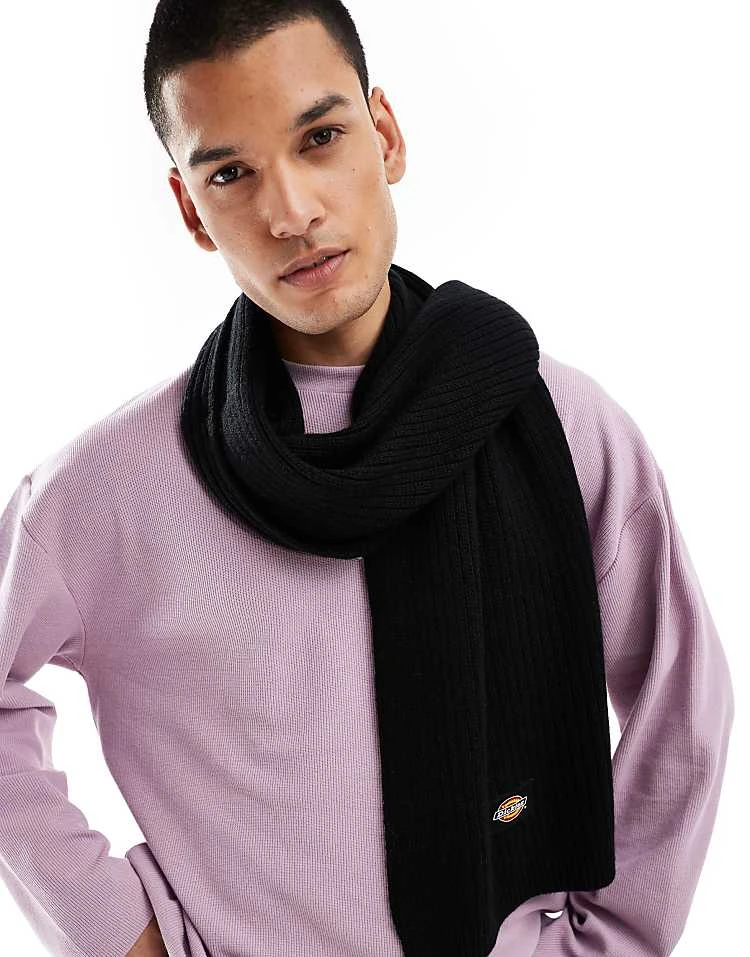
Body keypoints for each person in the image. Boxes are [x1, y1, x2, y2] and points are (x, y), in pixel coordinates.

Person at [0, 3, 735, 956]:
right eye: (230, 173)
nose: (291, 212)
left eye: (320, 137)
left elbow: (683, 704)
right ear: (189, 209)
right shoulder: (107, 491)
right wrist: (115, 932)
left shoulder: (561, 425)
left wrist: (615, 941)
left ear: (384, 135)